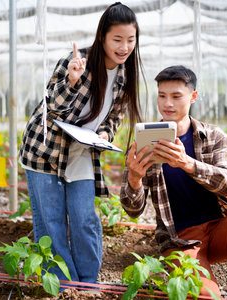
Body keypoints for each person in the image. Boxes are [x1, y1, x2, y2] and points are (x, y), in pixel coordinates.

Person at [18, 2, 144, 286]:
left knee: (84, 217)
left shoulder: (125, 77)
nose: (124, 47)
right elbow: (53, 109)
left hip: (81, 150)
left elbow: (113, 118)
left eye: (130, 40)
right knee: (51, 224)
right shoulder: (76, 62)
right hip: (46, 149)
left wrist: (106, 136)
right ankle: (65, 288)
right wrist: (72, 81)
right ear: (102, 37)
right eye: (117, 39)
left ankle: (87, 285)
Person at [120, 65, 227, 299]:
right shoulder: (145, 143)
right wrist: (134, 179)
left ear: (193, 97)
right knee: (205, 295)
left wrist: (188, 163)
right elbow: (133, 211)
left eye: (176, 96)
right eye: (162, 96)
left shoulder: (213, 136)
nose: (168, 104)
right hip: (180, 239)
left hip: (219, 229)